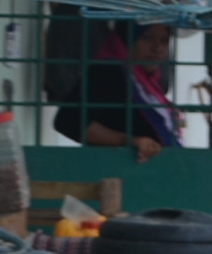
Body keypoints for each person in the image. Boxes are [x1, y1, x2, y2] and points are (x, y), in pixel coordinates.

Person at [55, 22, 181, 162]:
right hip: (113, 169)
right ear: (127, 39)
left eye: (164, 40)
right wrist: (130, 141)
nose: (157, 48)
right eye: (147, 38)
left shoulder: (148, 82)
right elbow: (69, 121)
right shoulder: (110, 72)